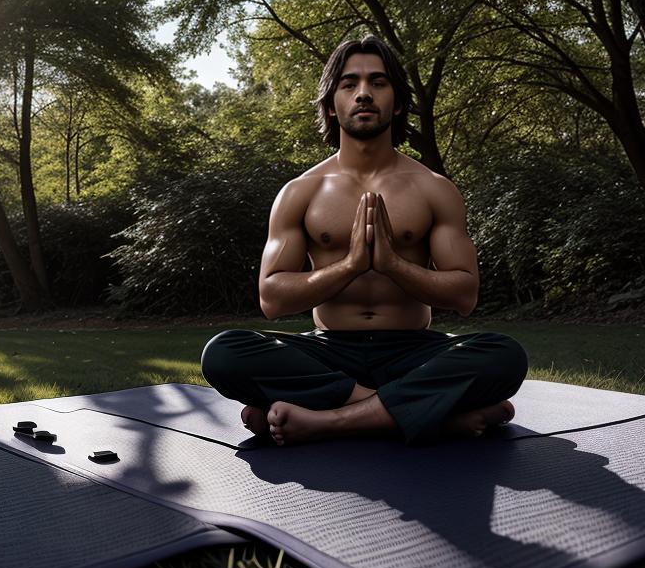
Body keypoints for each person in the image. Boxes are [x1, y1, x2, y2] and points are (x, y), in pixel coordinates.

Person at [201, 35, 527, 445]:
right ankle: (426, 415)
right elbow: (272, 299)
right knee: (224, 352)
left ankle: (329, 419)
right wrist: (350, 265)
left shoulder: (434, 188)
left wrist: (393, 265)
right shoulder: (301, 191)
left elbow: (464, 295)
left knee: (504, 355)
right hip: (327, 353)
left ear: (399, 101)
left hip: (413, 352)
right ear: (331, 104)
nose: (364, 94)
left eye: (378, 82)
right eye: (349, 84)